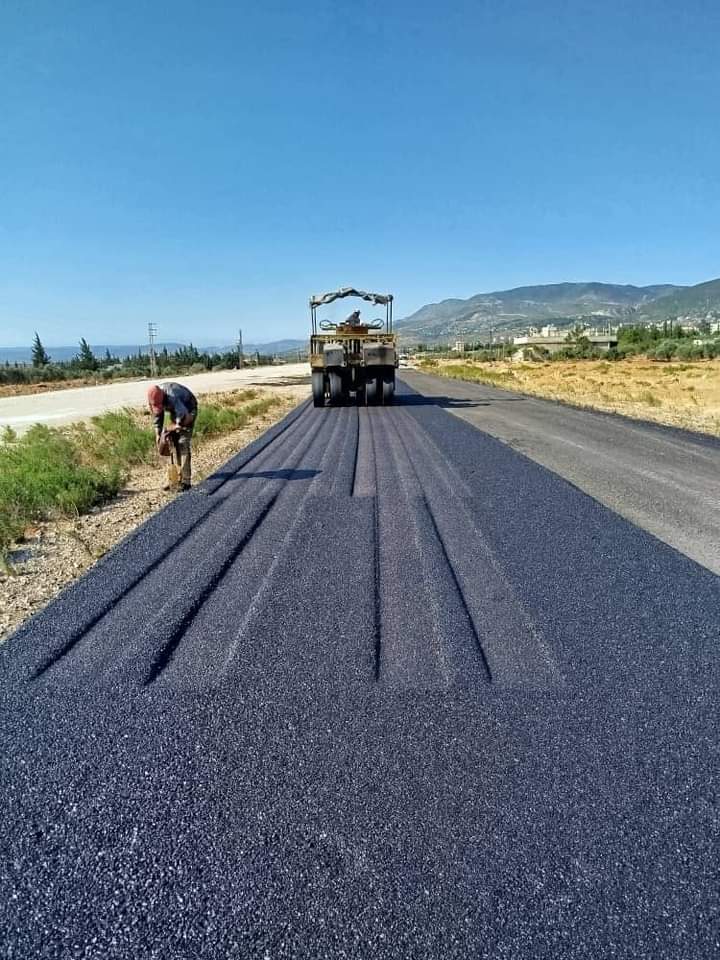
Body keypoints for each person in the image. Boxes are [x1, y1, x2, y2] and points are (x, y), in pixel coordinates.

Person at [147, 382, 198, 491]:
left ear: (163, 397)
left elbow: (182, 415)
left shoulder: (172, 395)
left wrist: (177, 426)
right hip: (175, 411)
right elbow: (157, 416)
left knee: (182, 442)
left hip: (188, 409)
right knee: (173, 443)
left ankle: (186, 481)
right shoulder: (153, 397)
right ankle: (176, 479)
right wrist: (158, 434)